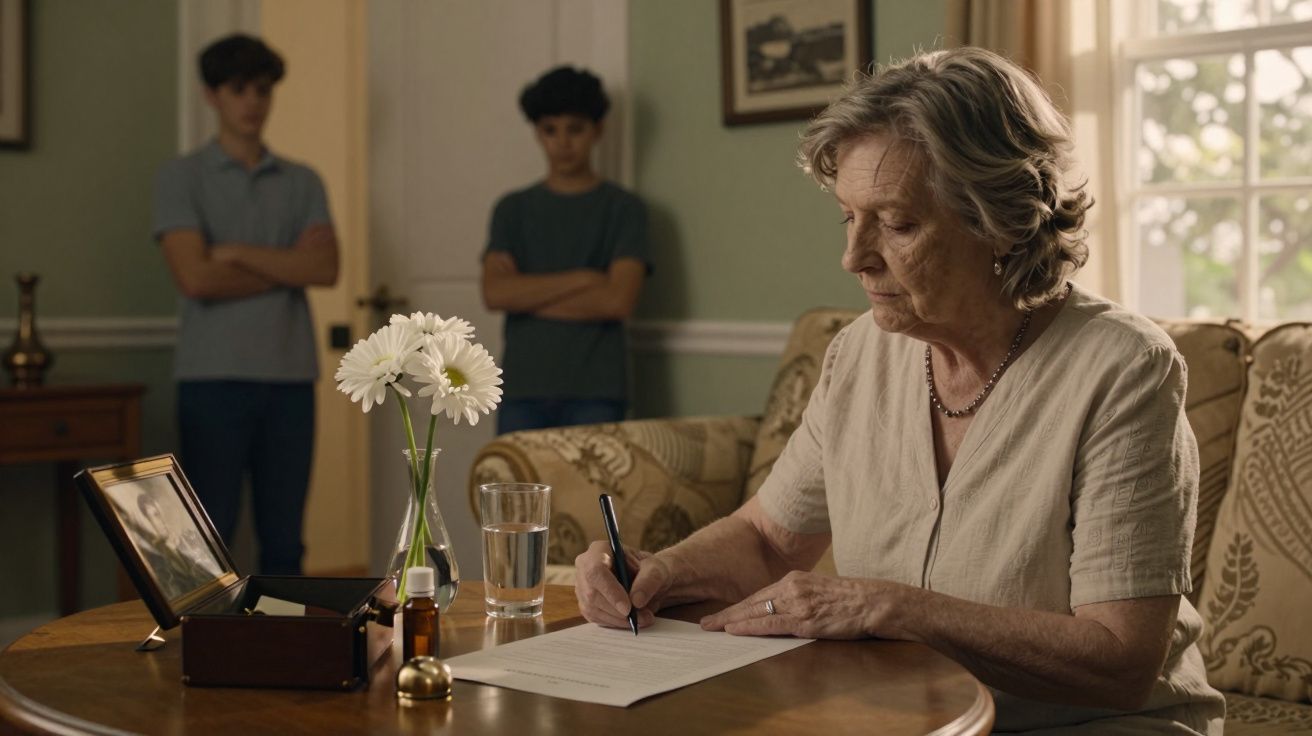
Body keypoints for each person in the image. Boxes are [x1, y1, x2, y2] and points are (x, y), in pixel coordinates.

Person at [574, 47, 1225, 733]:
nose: (854, 257)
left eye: (898, 223)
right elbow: (768, 540)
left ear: (1000, 223)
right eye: (848, 217)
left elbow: (1121, 659)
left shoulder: (1123, 368)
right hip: (909, 719)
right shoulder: (859, 353)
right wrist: (657, 574)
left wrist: (890, 609)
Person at [152, 34, 338, 575]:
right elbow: (195, 279)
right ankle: (209, 630)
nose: (253, 102)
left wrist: (234, 253)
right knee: (208, 537)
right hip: (212, 378)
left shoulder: (303, 181)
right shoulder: (181, 177)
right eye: (238, 90)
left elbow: (324, 269)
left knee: (285, 541)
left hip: (290, 378)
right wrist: (285, 265)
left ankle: (282, 629)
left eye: (262, 90)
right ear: (212, 95)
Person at [481, 66, 651, 435]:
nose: (563, 143)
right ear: (537, 133)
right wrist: (586, 278)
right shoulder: (512, 209)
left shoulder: (624, 209)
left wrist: (526, 295)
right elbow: (495, 293)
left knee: (594, 477)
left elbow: (618, 301)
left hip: (597, 389)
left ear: (597, 131)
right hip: (522, 387)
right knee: (514, 475)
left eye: (575, 129)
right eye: (550, 130)